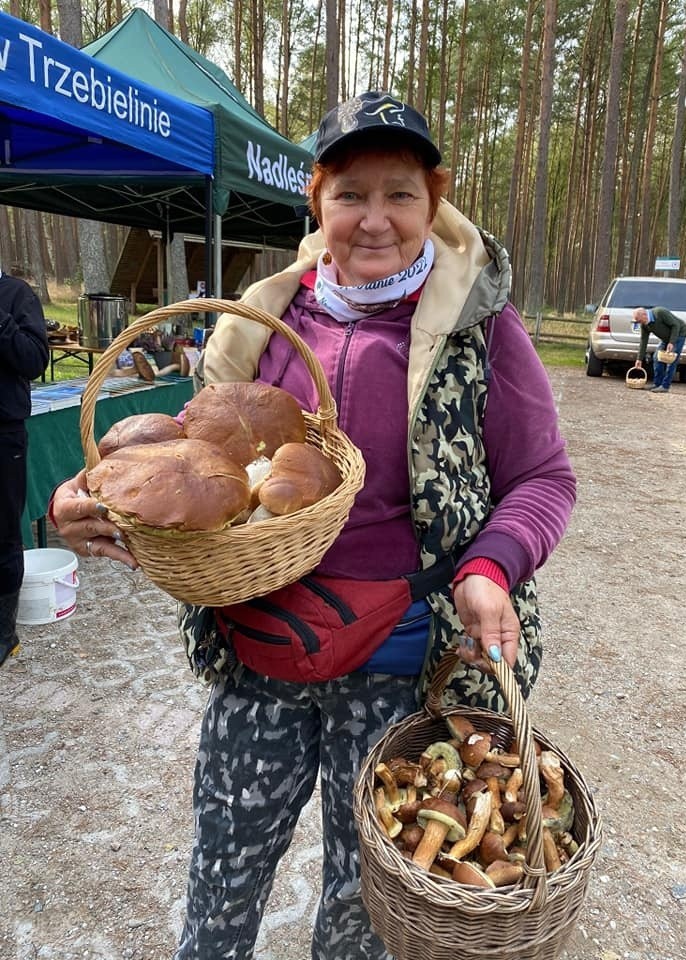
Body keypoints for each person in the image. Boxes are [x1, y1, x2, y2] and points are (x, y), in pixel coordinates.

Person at [50, 92, 576, 960]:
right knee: (224, 868)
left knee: (364, 902)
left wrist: (491, 566)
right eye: (350, 194)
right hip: (259, 643)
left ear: (435, 200)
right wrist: (83, 497)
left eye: (400, 194)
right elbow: (181, 461)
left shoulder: (482, 328)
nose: (375, 220)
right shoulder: (262, 323)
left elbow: (543, 478)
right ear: (316, 199)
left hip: (403, 662)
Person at [0, 269, 49, 666]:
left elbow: (33, 360)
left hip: (4, 433)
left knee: (2, 533)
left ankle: (4, 633)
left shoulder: (16, 295)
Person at [633, 306, 686, 392]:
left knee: (671, 360)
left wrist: (672, 342)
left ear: (644, 315)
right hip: (666, 338)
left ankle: (665, 386)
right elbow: (643, 341)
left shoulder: (659, 313)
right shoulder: (644, 325)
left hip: (679, 333)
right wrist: (639, 359)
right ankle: (657, 384)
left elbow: (675, 325)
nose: (639, 323)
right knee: (656, 357)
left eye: (639, 320)